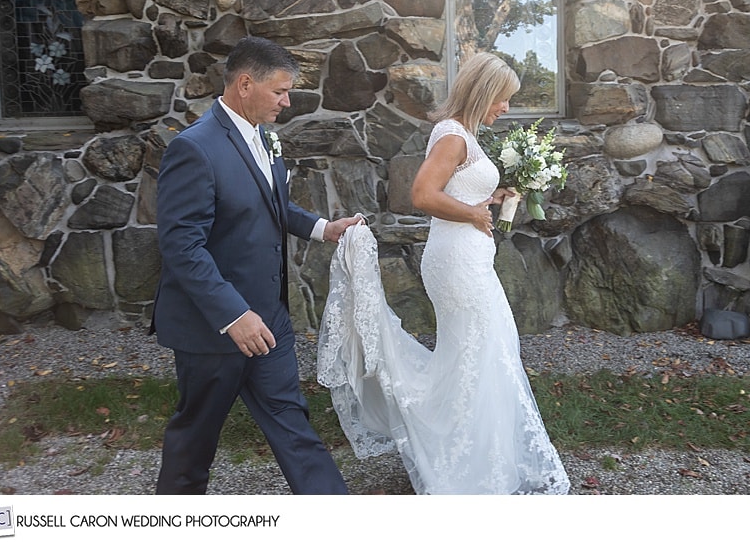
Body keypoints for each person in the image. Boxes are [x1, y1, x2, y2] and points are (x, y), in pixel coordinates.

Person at [316, 51, 570, 494]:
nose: (506, 108)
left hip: (466, 260)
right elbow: (422, 194)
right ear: (484, 92)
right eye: (503, 99)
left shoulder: (463, 135)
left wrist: (492, 198)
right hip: (458, 265)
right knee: (485, 349)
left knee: (479, 353)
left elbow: (456, 191)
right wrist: (472, 215)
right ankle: (469, 466)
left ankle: (473, 455)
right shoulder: (452, 135)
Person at [152, 36, 362, 495]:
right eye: (279, 92)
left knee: (295, 429)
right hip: (212, 330)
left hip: (270, 317)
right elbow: (181, 245)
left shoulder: (264, 138)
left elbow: (272, 204)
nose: (287, 103)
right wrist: (233, 315)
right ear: (245, 84)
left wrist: (324, 228)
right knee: (194, 441)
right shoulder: (194, 148)